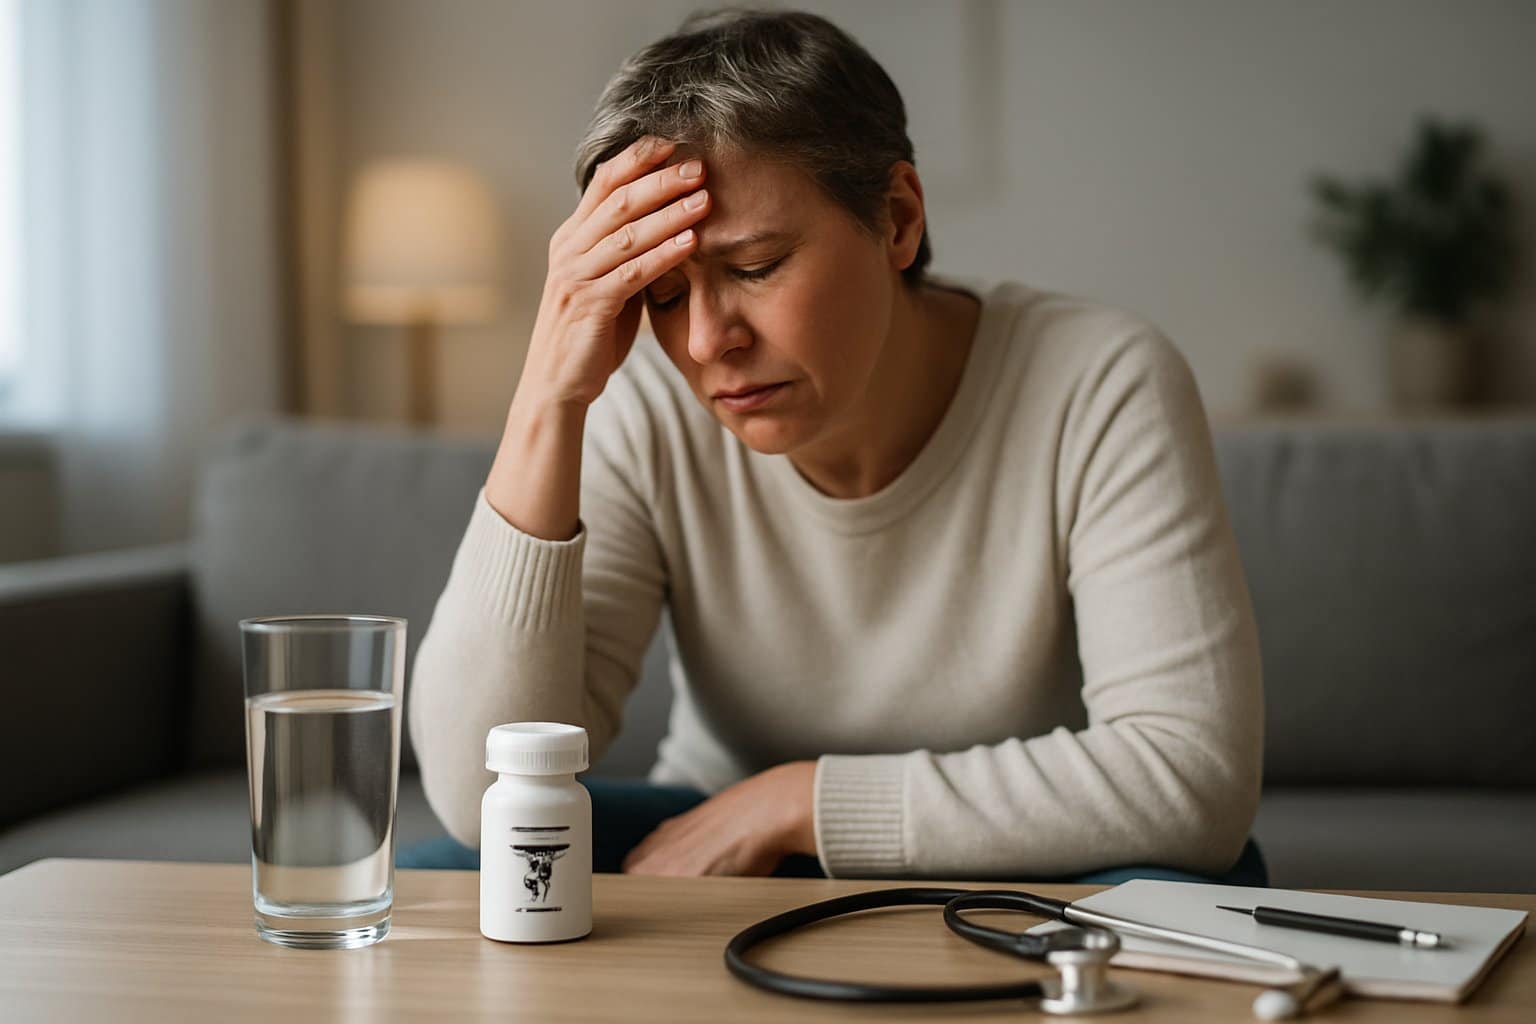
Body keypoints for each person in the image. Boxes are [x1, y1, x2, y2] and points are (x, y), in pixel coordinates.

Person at [400, 7, 1267, 886]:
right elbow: (481, 797)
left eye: (754, 267)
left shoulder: (1100, 381)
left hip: (1020, 851)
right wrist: (548, 396)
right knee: (457, 873)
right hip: (728, 855)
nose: (706, 342)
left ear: (897, 219)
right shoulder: (648, 409)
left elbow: (1192, 777)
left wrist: (800, 803)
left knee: (1195, 893)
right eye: (662, 294)